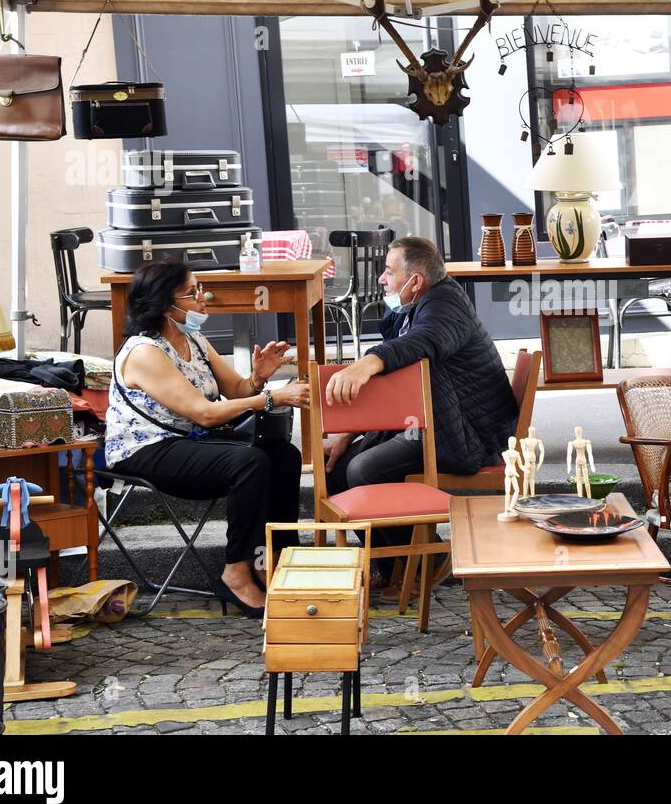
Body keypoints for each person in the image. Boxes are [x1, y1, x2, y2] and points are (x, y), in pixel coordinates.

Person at [105, 260, 311, 617]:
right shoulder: (144, 352)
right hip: (145, 448)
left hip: (190, 441)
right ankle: (236, 572)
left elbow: (235, 390)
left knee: (284, 455)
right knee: (250, 461)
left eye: (200, 290)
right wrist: (272, 397)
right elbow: (203, 412)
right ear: (164, 305)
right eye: (192, 293)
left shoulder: (194, 340)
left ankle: (275, 558)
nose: (204, 299)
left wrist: (259, 378)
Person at [323, 236, 518, 579]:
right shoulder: (419, 304)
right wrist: (347, 434)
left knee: (363, 470)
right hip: (438, 423)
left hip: (466, 436)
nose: (382, 279)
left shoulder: (445, 304)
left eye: (388, 271)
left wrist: (367, 362)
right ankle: (394, 568)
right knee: (335, 470)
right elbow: (399, 380)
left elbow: (421, 343)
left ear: (415, 281)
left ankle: (429, 561)